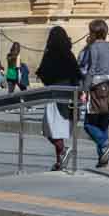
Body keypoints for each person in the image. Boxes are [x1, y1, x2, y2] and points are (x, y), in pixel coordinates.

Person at [36, 26, 81, 171]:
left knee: (49, 130)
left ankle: (62, 151)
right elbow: (77, 75)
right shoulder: (69, 54)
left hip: (54, 96)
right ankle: (60, 160)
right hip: (70, 98)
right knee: (59, 130)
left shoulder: (50, 54)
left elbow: (43, 74)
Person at [78, 19, 109, 168]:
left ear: (93, 32)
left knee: (89, 125)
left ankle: (105, 143)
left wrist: (84, 89)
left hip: (96, 90)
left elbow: (91, 70)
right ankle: (103, 158)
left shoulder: (93, 47)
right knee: (103, 126)